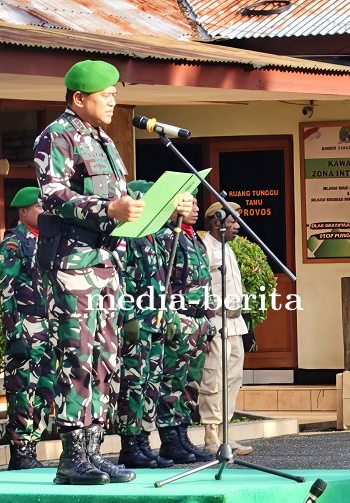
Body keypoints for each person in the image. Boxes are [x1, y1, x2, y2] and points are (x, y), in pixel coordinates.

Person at [34, 60, 192, 485]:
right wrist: (107, 209)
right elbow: (52, 195)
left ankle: (92, 451)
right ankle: (71, 457)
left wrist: (155, 207)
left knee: (106, 359)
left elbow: (122, 198)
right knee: (79, 357)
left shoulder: (104, 139)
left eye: (115, 94)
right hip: (74, 265)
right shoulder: (57, 136)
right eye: (105, 95)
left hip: (107, 264)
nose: (113, 100)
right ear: (79, 98)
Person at [114, 180, 174, 469]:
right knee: (133, 383)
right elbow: (122, 280)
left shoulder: (152, 236)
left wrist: (169, 315)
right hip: (138, 322)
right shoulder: (128, 235)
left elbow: (163, 282)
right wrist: (128, 317)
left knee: (151, 382)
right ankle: (129, 444)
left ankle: (143, 441)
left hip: (155, 321)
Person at [153, 193, 215, 464]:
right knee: (172, 381)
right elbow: (159, 281)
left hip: (199, 320)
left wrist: (210, 320)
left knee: (191, 383)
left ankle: (183, 435)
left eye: (196, 205)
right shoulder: (167, 237)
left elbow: (206, 282)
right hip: (180, 318)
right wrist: (168, 319)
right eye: (189, 205)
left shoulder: (194, 237)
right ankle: (170, 440)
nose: (196, 209)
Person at [0, 186, 54, 470]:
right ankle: (20, 451)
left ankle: (32, 444)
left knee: (45, 388)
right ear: (23, 211)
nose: (44, 212)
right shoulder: (14, 242)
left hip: (47, 325)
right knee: (22, 389)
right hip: (26, 325)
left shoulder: (45, 240)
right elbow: (5, 291)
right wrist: (13, 332)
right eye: (38, 208)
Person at [199, 201, 253, 456]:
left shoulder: (228, 249)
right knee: (213, 379)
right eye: (232, 221)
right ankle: (211, 438)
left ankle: (225, 436)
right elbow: (200, 289)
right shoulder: (204, 248)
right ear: (216, 222)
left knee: (233, 379)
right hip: (216, 323)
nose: (238, 226)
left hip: (235, 323)